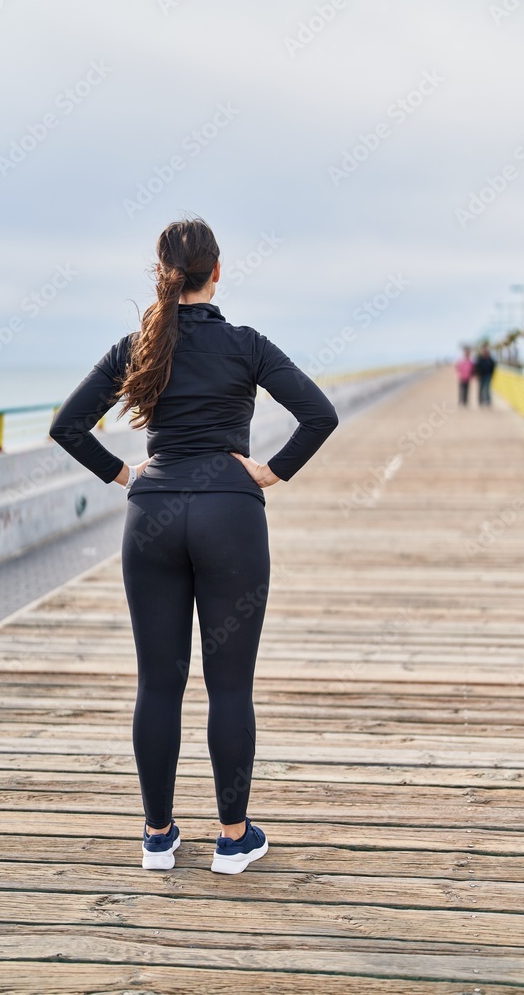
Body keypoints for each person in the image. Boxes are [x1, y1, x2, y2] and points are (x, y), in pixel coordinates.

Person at [49, 218, 339, 875]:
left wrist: (125, 474)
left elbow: (67, 426)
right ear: (217, 270)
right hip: (230, 515)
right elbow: (319, 415)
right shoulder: (246, 344)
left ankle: (157, 837)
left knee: (159, 683)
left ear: (162, 272)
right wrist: (272, 469)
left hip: (151, 515)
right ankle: (233, 839)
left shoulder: (136, 345)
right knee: (229, 686)